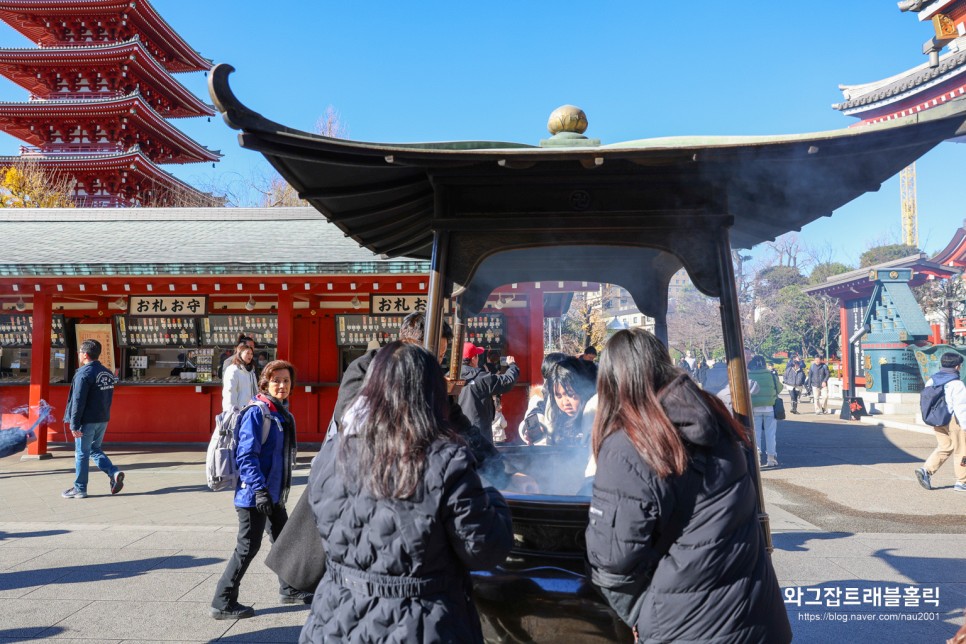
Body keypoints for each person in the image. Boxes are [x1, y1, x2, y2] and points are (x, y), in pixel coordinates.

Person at [585, 329, 791, 644]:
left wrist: (642, 614)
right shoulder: (715, 416)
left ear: (611, 381)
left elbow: (613, 560)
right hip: (757, 614)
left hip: (686, 625)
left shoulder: (629, 445)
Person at [300, 342, 513, 642]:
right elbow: (485, 548)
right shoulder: (445, 461)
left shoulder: (333, 453)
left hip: (337, 617)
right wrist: (491, 493)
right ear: (432, 392)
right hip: (419, 622)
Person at [210, 359, 309, 619]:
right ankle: (223, 601)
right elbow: (246, 456)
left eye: (286, 380)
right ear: (265, 382)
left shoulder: (280, 412)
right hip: (255, 495)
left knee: (284, 541)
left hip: (274, 494)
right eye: (276, 380)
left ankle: (289, 589)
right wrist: (259, 490)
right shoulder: (258, 412)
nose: (282, 385)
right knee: (247, 547)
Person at [62, 339, 124, 499]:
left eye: (80, 352)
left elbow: (78, 400)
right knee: (94, 449)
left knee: (81, 453)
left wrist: (74, 424)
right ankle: (113, 473)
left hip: (86, 420)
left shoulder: (84, 373)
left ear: (85, 354)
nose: (79, 355)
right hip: (102, 418)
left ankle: (80, 488)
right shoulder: (107, 372)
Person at [915, 352, 966, 492]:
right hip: (954, 421)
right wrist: (965, 425)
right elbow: (960, 407)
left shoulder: (932, 380)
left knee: (945, 447)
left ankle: (925, 470)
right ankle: (962, 482)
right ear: (957, 366)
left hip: (937, 420)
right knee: (962, 450)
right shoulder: (957, 383)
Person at [458, 341, 520, 445]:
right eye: (477, 356)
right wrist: (512, 366)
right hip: (479, 433)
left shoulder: (449, 378)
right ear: (473, 359)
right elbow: (507, 381)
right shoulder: (481, 378)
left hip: (457, 434)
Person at [543, 357, 597, 447]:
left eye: (570, 394)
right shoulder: (554, 415)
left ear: (582, 390)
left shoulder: (594, 414)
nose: (565, 403)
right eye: (558, 396)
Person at [520, 352, 569, 444]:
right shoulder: (540, 396)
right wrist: (532, 429)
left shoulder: (575, 392)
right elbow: (535, 412)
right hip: (548, 448)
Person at [748, 355, 782, 468]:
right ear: (764, 364)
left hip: (754, 408)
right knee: (770, 434)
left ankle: (757, 458)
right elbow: (780, 388)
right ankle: (771, 458)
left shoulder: (749, 375)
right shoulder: (770, 375)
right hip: (769, 408)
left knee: (756, 433)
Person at [221, 342, 258, 413]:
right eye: (247, 353)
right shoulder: (233, 369)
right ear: (240, 354)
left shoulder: (251, 371)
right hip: (238, 412)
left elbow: (255, 391)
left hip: (251, 410)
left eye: (251, 354)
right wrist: (231, 412)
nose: (250, 356)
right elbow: (229, 392)